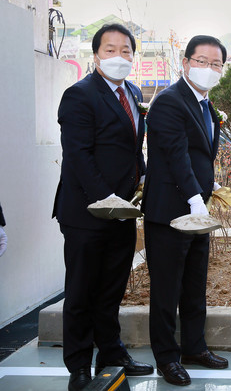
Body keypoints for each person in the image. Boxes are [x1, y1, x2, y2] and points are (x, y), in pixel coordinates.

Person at [53, 23, 153, 391]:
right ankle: (78, 365)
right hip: (85, 211)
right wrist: (105, 198)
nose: (119, 57)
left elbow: (131, 148)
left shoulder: (133, 91)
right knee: (81, 290)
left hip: (122, 211)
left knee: (112, 287)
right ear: (95, 55)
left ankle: (111, 352)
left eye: (126, 50)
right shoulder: (79, 95)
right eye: (110, 50)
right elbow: (78, 154)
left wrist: (141, 178)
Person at [142, 35, 229, 386]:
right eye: (202, 61)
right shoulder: (169, 101)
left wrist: (207, 193)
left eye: (216, 64)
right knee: (166, 287)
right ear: (185, 62)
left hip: (196, 212)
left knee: (194, 283)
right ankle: (167, 357)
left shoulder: (207, 105)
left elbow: (200, 156)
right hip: (169, 212)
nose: (208, 69)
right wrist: (194, 196)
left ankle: (194, 346)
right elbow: (176, 155)